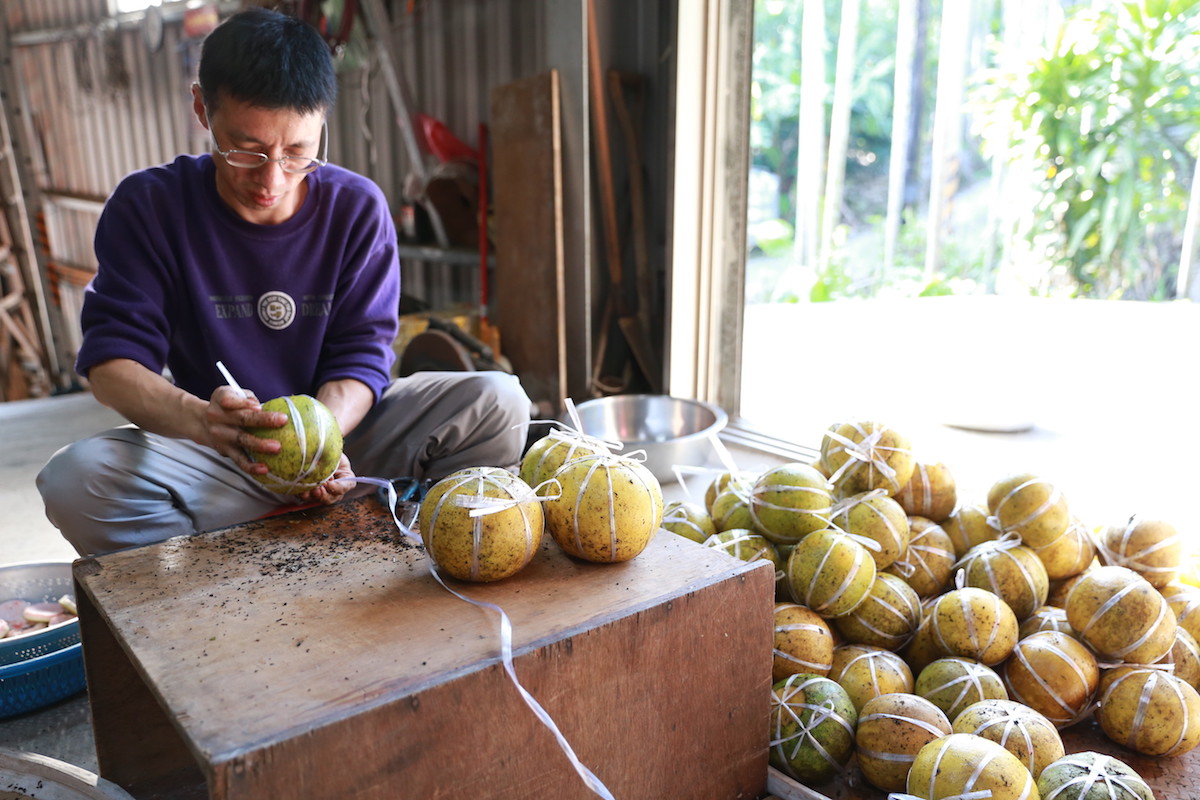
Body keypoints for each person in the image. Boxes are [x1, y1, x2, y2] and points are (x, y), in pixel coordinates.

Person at [36, 8, 532, 557]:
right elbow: (112, 366)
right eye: (247, 149)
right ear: (203, 108)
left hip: (345, 445)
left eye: (298, 152)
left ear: (323, 122)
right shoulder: (150, 206)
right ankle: (234, 572)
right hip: (225, 451)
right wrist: (202, 420)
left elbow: (362, 356)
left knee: (498, 399)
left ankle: (408, 544)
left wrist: (323, 441)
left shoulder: (357, 208)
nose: (271, 179)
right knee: (76, 480)